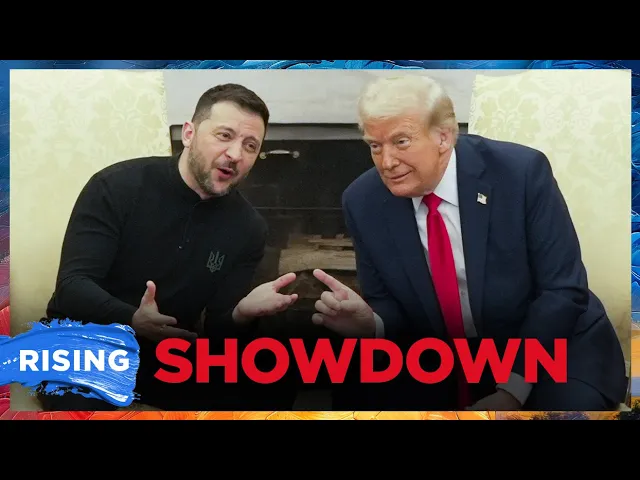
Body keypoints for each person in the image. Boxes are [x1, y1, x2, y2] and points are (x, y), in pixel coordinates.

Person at [312, 74, 629, 411]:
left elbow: (562, 291)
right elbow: (388, 303)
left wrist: (512, 390)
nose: (386, 162)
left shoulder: (520, 173)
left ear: (444, 137)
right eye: (375, 146)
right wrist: (372, 324)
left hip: (552, 346)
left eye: (401, 142)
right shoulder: (363, 201)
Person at [38, 83, 299, 411]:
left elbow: (217, 326)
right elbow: (72, 287)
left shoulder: (248, 227)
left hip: (166, 354)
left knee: (276, 379)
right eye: (224, 135)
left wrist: (241, 312)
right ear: (189, 134)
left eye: (250, 146)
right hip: (84, 343)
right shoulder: (116, 186)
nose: (236, 154)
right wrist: (133, 318)